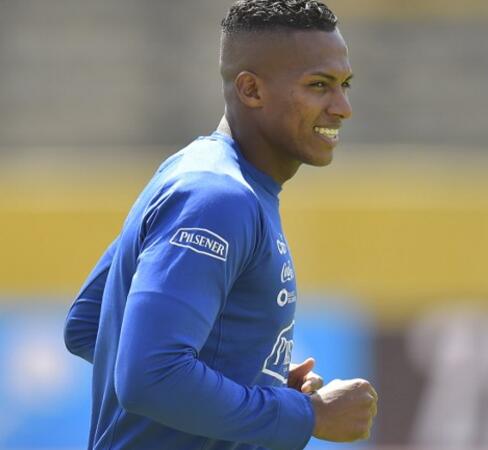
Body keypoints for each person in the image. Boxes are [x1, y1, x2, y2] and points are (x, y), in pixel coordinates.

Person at [63, 1, 377, 449]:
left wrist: (247, 378)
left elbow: (89, 324)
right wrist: (305, 415)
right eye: (319, 85)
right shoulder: (217, 198)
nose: (343, 107)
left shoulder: (197, 172)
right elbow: (150, 375)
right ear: (251, 90)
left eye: (344, 85)